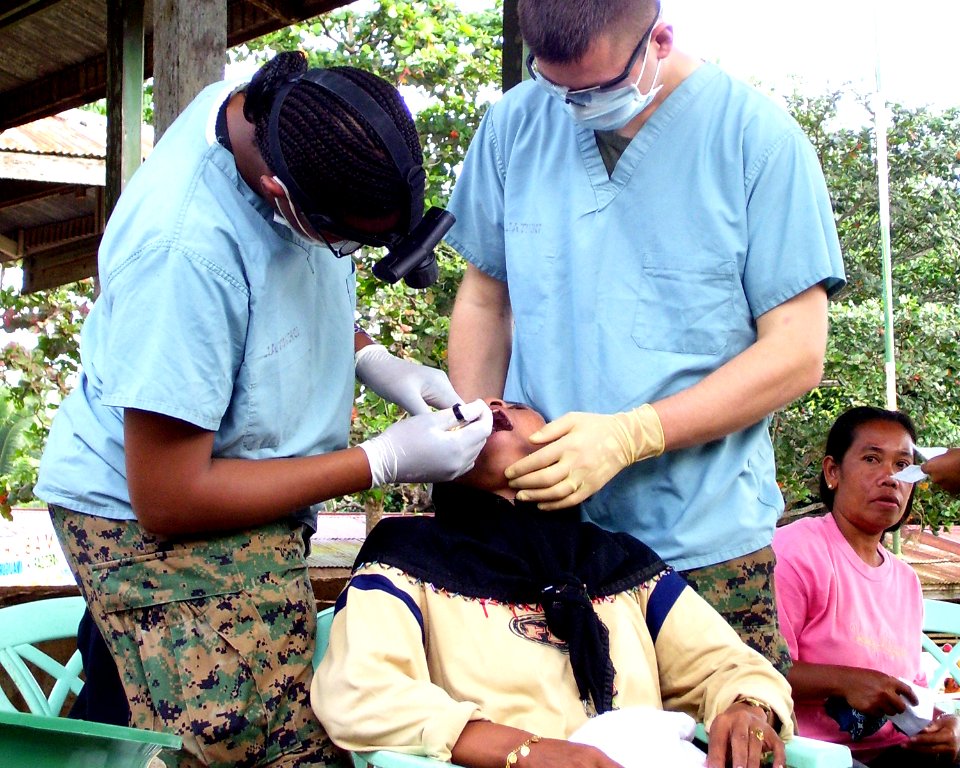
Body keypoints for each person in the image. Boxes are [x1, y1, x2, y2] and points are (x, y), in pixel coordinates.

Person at [34, 51, 493, 768]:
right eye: (346, 239)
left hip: (244, 482)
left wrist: (373, 358)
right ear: (280, 192)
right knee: (266, 745)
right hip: (153, 507)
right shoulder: (182, 251)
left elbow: (270, 301)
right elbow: (170, 497)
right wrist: (381, 460)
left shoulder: (279, 111)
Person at [443, 0, 846, 672]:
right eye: (556, 86)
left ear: (660, 39)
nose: (573, 107)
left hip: (703, 552)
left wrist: (633, 434)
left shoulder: (756, 139)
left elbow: (796, 354)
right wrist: (479, 433)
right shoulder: (515, 124)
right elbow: (486, 297)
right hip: (544, 545)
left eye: (597, 89)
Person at [312, 398, 794, 768]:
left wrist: (748, 709)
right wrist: (525, 752)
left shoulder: (620, 563)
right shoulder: (403, 557)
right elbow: (361, 688)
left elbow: (729, 666)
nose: (493, 408)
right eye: (473, 411)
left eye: (516, 407)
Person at [773, 406, 960, 767]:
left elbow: (913, 694)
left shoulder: (906, 581)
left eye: (903, 466)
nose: (890, 477)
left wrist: (947, 726)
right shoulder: (795, 551)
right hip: (817, 757)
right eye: (872, 459)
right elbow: (762, 668)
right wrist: (845, 682)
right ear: (833, 472)